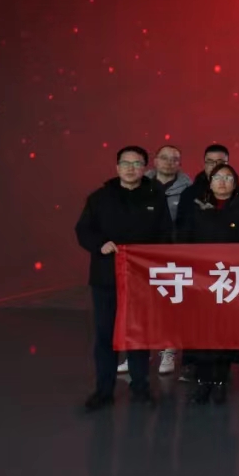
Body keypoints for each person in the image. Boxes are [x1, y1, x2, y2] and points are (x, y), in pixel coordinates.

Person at [75, 146, 173, 411]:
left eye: (137, 163)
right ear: (117, 167)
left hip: (141, 279)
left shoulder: (155, 196)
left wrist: (153, 256)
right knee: (106, 334)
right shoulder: (99, 198)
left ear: (145, 168)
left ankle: (140, 388)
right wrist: (100, 244)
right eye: (126, 163)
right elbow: (83, 230)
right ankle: (103, 390)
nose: (131, 168)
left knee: (138, 335)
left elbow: (165, 233)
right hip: (106, 278)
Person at [177, 163, 239, 404]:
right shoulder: (196, 207)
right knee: (201, 331)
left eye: (228, 178)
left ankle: (221, 381)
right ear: (209, 183)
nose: (222, 182)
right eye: (217, 177)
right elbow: (183, 240)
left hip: (230, 280)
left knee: (225, 333)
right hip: (201, 281)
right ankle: (202, 381)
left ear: (235, 183)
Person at [142, 144, 191, 377]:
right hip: (143, 257)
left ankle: (168, 351)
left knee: (171, 306)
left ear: (179, 163)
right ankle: (138, 353)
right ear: (155, 160)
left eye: (175, 159)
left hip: (174, 256)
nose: (169, 162)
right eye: (164, 158)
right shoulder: (140, 185)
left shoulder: (189, 189)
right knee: (142, 306)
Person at [175, 143, 230, 232]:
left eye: (220, 162)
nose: (215, 166)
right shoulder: (189, 194)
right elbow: (182, 228)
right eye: (210, 162)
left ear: (227, 164)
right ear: (204, 165)